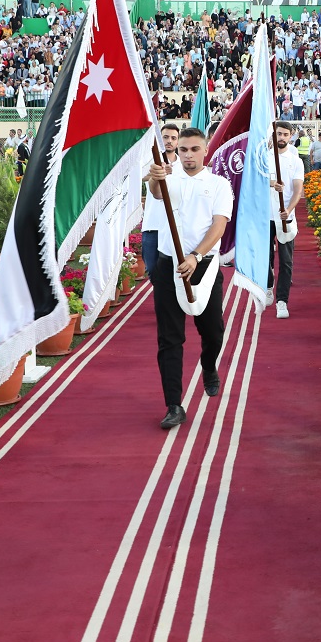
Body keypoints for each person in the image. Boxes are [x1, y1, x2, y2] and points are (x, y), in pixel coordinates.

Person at [146, 127, 233, 430]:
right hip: (168, 265)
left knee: (213, 332)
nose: (188, 155)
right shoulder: (168, 178)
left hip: (204, 266)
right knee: (169, 338)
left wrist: (195, 256)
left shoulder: (219, 184)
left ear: (205, 150)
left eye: (194, 149)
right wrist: (156, 177)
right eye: (183, 150)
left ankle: (208, 367)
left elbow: (219, 226)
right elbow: (158, 194)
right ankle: (174, 404)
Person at [267, 122, 305, 319]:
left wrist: (288, 209)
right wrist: (272, 183)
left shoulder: (295, 160)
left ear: (291, 136)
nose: (281, 137)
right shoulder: (264, 156)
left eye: (284, 134)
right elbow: (255, 180)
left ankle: (282, 301)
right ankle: (267, 285)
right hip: (265, 215)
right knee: (266, 258)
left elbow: (298, 189)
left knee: (286, 261)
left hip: (285, 216)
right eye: (278, 134)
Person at [141, 124, 181, 272]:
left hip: (175, 225)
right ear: (159, 139)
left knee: (174, 270)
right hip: (153, 225)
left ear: (177, 142)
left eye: (173, 138)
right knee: (151, 268)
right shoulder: (149, 159)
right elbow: (139, 176)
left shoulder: (183, 164)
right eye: (165, 137)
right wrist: (157, 173)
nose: (169, 141)